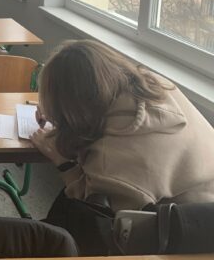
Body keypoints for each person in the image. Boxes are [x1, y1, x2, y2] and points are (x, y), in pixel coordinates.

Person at [32, 40, 214, 221]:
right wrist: (62, 119)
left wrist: (64, 163)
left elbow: (98, 218)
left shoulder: (109, 161)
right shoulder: (155, 84)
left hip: (194, 229)